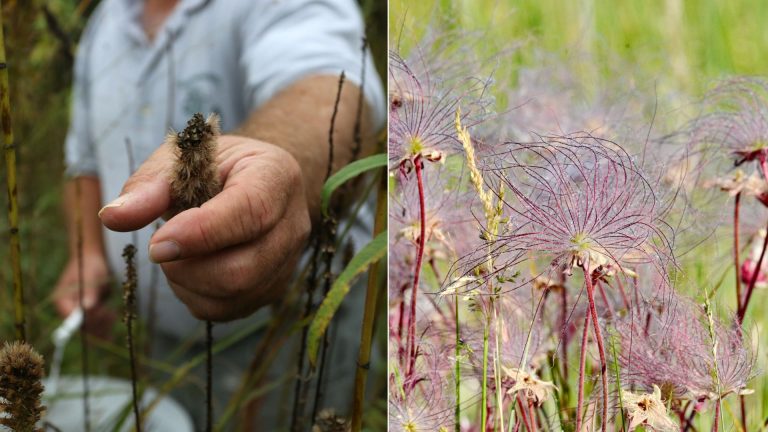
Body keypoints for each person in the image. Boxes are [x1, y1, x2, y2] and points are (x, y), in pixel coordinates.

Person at [52, 0, 385, 429]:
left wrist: (275, 161)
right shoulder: (105, 22)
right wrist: (89, 254)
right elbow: (84, 161)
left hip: (289, 339)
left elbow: (327, 89)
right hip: (163, 342)